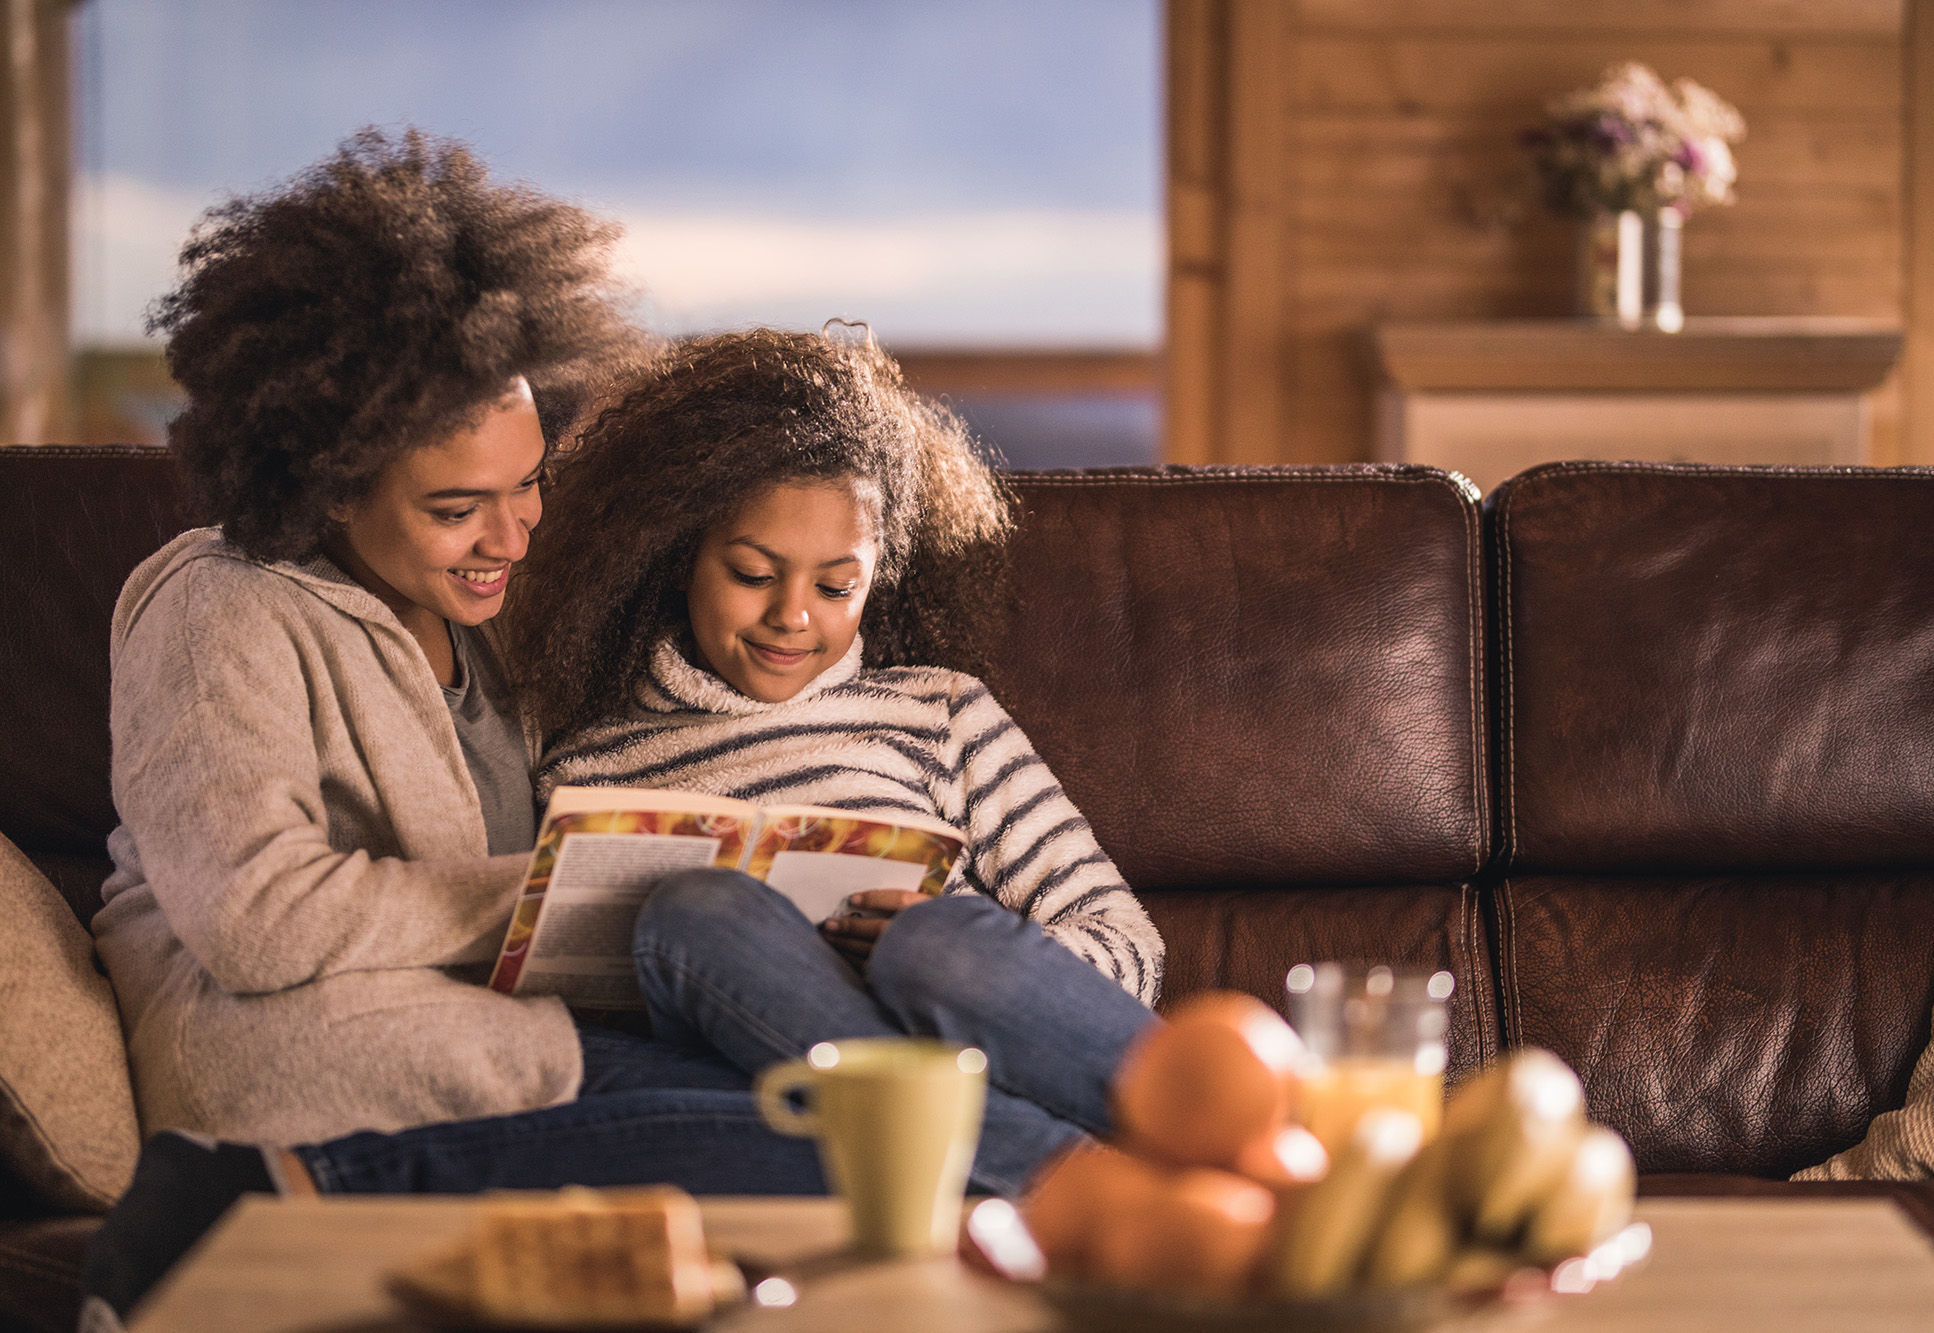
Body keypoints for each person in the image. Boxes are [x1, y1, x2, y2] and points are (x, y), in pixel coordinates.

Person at [82, 131, 821, 1325]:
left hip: (501, 1039)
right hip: (314, 1061)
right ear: (328, 482)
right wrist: (554, 888)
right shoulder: (218, 606)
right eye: (454, 507)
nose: (512, 536)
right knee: (824, 1153)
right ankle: (241, 1198)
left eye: (528, 482)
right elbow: (256, 922)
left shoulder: (494, 621)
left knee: (862, 1119)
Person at [507, 327, 1166, 1180]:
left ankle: (1085, 1153)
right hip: (768, 1093)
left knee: (932, 944)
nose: (794, 616)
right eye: (752, 573)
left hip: (996, 1053)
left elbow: (1128, 945)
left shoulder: (941, 713)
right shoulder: (585, 765)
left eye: (834, 586)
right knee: (699, 915)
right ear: (679, 559)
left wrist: (936, 957)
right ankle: (1088, 1179)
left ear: (877, 575)